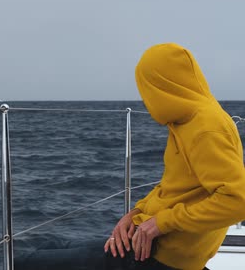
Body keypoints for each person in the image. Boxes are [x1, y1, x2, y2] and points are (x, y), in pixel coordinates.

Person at [105, 43, 245, 269]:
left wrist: (161, 223)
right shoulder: (186, 120)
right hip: (160, 243)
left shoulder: (206, 128)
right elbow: (177, 186)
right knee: (55, 249)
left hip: (165, 256)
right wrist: (135, 212)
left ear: (161, 86)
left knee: (35, 260)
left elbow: (239, 201)